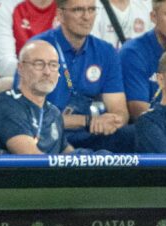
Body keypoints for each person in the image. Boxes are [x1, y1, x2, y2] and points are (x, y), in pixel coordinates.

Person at [31, 0, 132, 152]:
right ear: (60, 14)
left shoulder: (106, 51)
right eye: (78, 10)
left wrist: (111, 120)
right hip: (48, 135)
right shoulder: (38, 48)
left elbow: (120, 110)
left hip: (91, 133)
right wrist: (86, 121)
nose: (87, 17)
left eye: (91, 9)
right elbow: (32, 118)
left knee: (133, 134)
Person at [0, 40, 72, 154]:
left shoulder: (54, 112)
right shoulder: (5, 106)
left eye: (53, 65)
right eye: (39, 64)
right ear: (20, 68)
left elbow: (68, 155)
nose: (47, 72)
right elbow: (33, 160)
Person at [0, 0, 58, 78]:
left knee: (69, 82)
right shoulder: (3, 3)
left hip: (58, 76)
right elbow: (4, 66)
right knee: (14, 83)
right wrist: (41, 71)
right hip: (8, 78)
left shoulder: (68, 5)